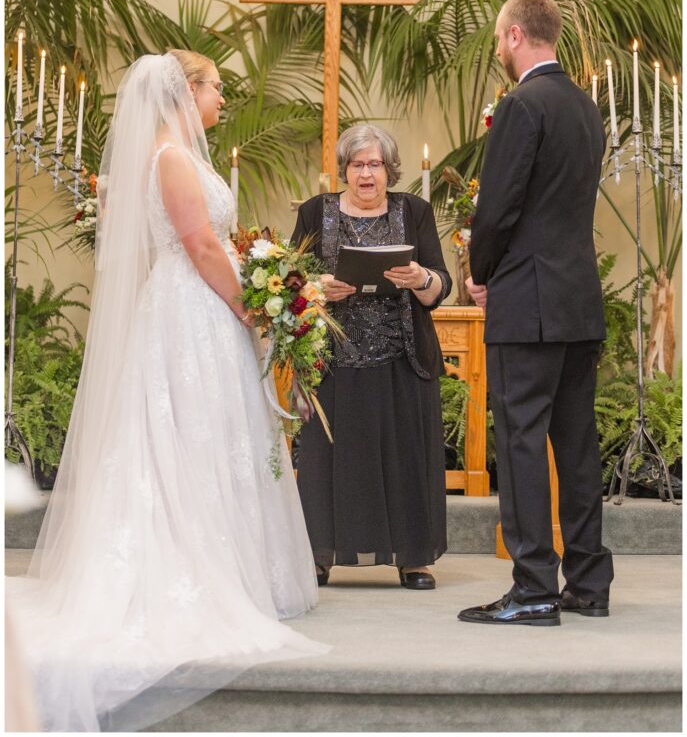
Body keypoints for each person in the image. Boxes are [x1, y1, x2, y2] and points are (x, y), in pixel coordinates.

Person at [7, 51, 326, 731]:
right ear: (188, 91)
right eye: (216, 90)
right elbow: (201, 246)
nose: (221, 102)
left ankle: (232, 561)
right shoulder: (172, 159)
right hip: (193, 310)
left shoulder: (180, 152)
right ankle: (193, 565)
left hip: (199, 306)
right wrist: (249, 304)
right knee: (187, 434)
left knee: (211, 435)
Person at [458, 0, 614, 627]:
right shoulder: (586, 107)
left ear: (515, 35)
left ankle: (531, 589)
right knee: (576, 445)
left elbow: (496, 209)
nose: (500, 50)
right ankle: (587, 582)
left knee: (521, 441)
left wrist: (480, 273)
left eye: (500, 41)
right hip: (578, 299)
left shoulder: (521, 104)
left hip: (528, 301)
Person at [291, 124, 451, 590]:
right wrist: (317, 288)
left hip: (403, 356)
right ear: (344, 169)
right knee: (325, 458)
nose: (366, 174)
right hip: (332, 358)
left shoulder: (415, 212)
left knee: (406, 457)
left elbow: (441, 282)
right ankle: (320, 555)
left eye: (375, 164)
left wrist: (420, 277)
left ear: (389, 170)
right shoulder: (313, 213)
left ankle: (413, 558)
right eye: (357, 165)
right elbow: (289, 280)